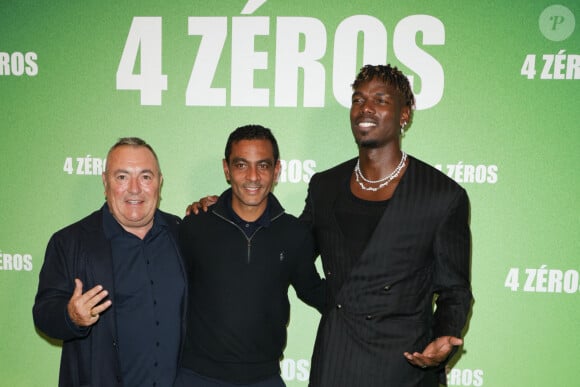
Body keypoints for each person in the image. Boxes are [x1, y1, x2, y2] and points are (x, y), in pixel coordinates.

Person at [189, 65, 472, 387]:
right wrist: (224, 211)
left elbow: (455, 289)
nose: (365, 107)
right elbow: (287, 246)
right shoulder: (326, 186)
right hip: (338, 358)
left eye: (380, 99)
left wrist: (446, 334)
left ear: (404, 113)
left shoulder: (441, 195)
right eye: (358, 99)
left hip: (405, 364)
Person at [175, 125, 325, 387]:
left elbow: (316, 292)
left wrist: (382, 307)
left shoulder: (293, 234)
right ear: (226, 169)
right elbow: (166, 294)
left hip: (263, 378)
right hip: (196, 377)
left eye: (263, 166)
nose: (253, 176)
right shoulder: (194, 227)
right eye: (242, 165)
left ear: (276, 170)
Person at [33, 137, 187, 387]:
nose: (135, 189)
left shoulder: (182, 234)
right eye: (122, 177)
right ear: (105, 182)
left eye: (146, 177)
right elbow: (43, 313)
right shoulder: (69, 242)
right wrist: (71, 316)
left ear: (160, 182)